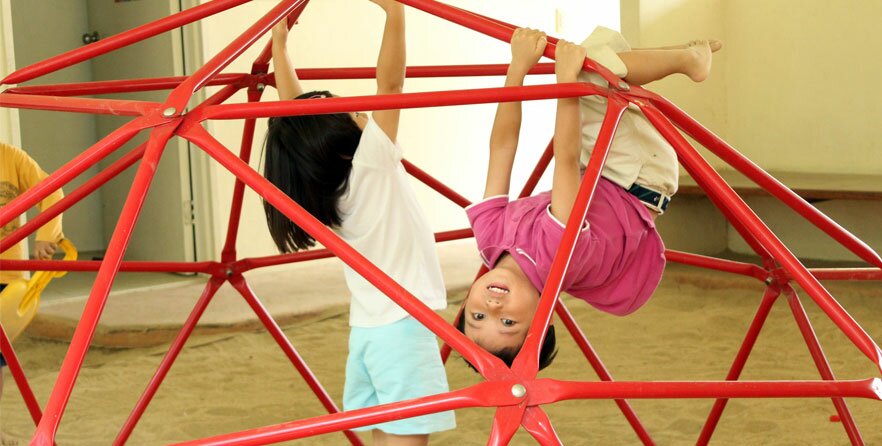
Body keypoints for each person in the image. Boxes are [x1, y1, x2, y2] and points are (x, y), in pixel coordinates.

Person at [457, 28, 721, 370]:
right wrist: (566, 80)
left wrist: (517, 69)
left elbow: (502, 147)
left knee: (603, 49)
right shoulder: (555, 260)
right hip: (636, 174)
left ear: (464, 304)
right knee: (588, 68)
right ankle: (690, 59)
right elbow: (563, 158)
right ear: (544, 320)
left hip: (597, 168)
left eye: (477, 316)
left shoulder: (489, 239)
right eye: (508, 323)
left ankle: (682, 53)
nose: (493, 308)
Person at [262, 2, 454, 444]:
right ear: (344, 143)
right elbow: (390, 83)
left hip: (368, 332)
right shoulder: (371, 163)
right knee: (407, 438)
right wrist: (395, 13)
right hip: (403, 330)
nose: (358, 108)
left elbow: (294, 113)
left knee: (385, 435)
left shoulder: (320, 190)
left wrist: (279, 45)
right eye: (347, 108)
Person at [1, 142, 65, 406]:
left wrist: (45, 235)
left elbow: (52, 190)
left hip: (7, 276)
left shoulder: (10, 156)